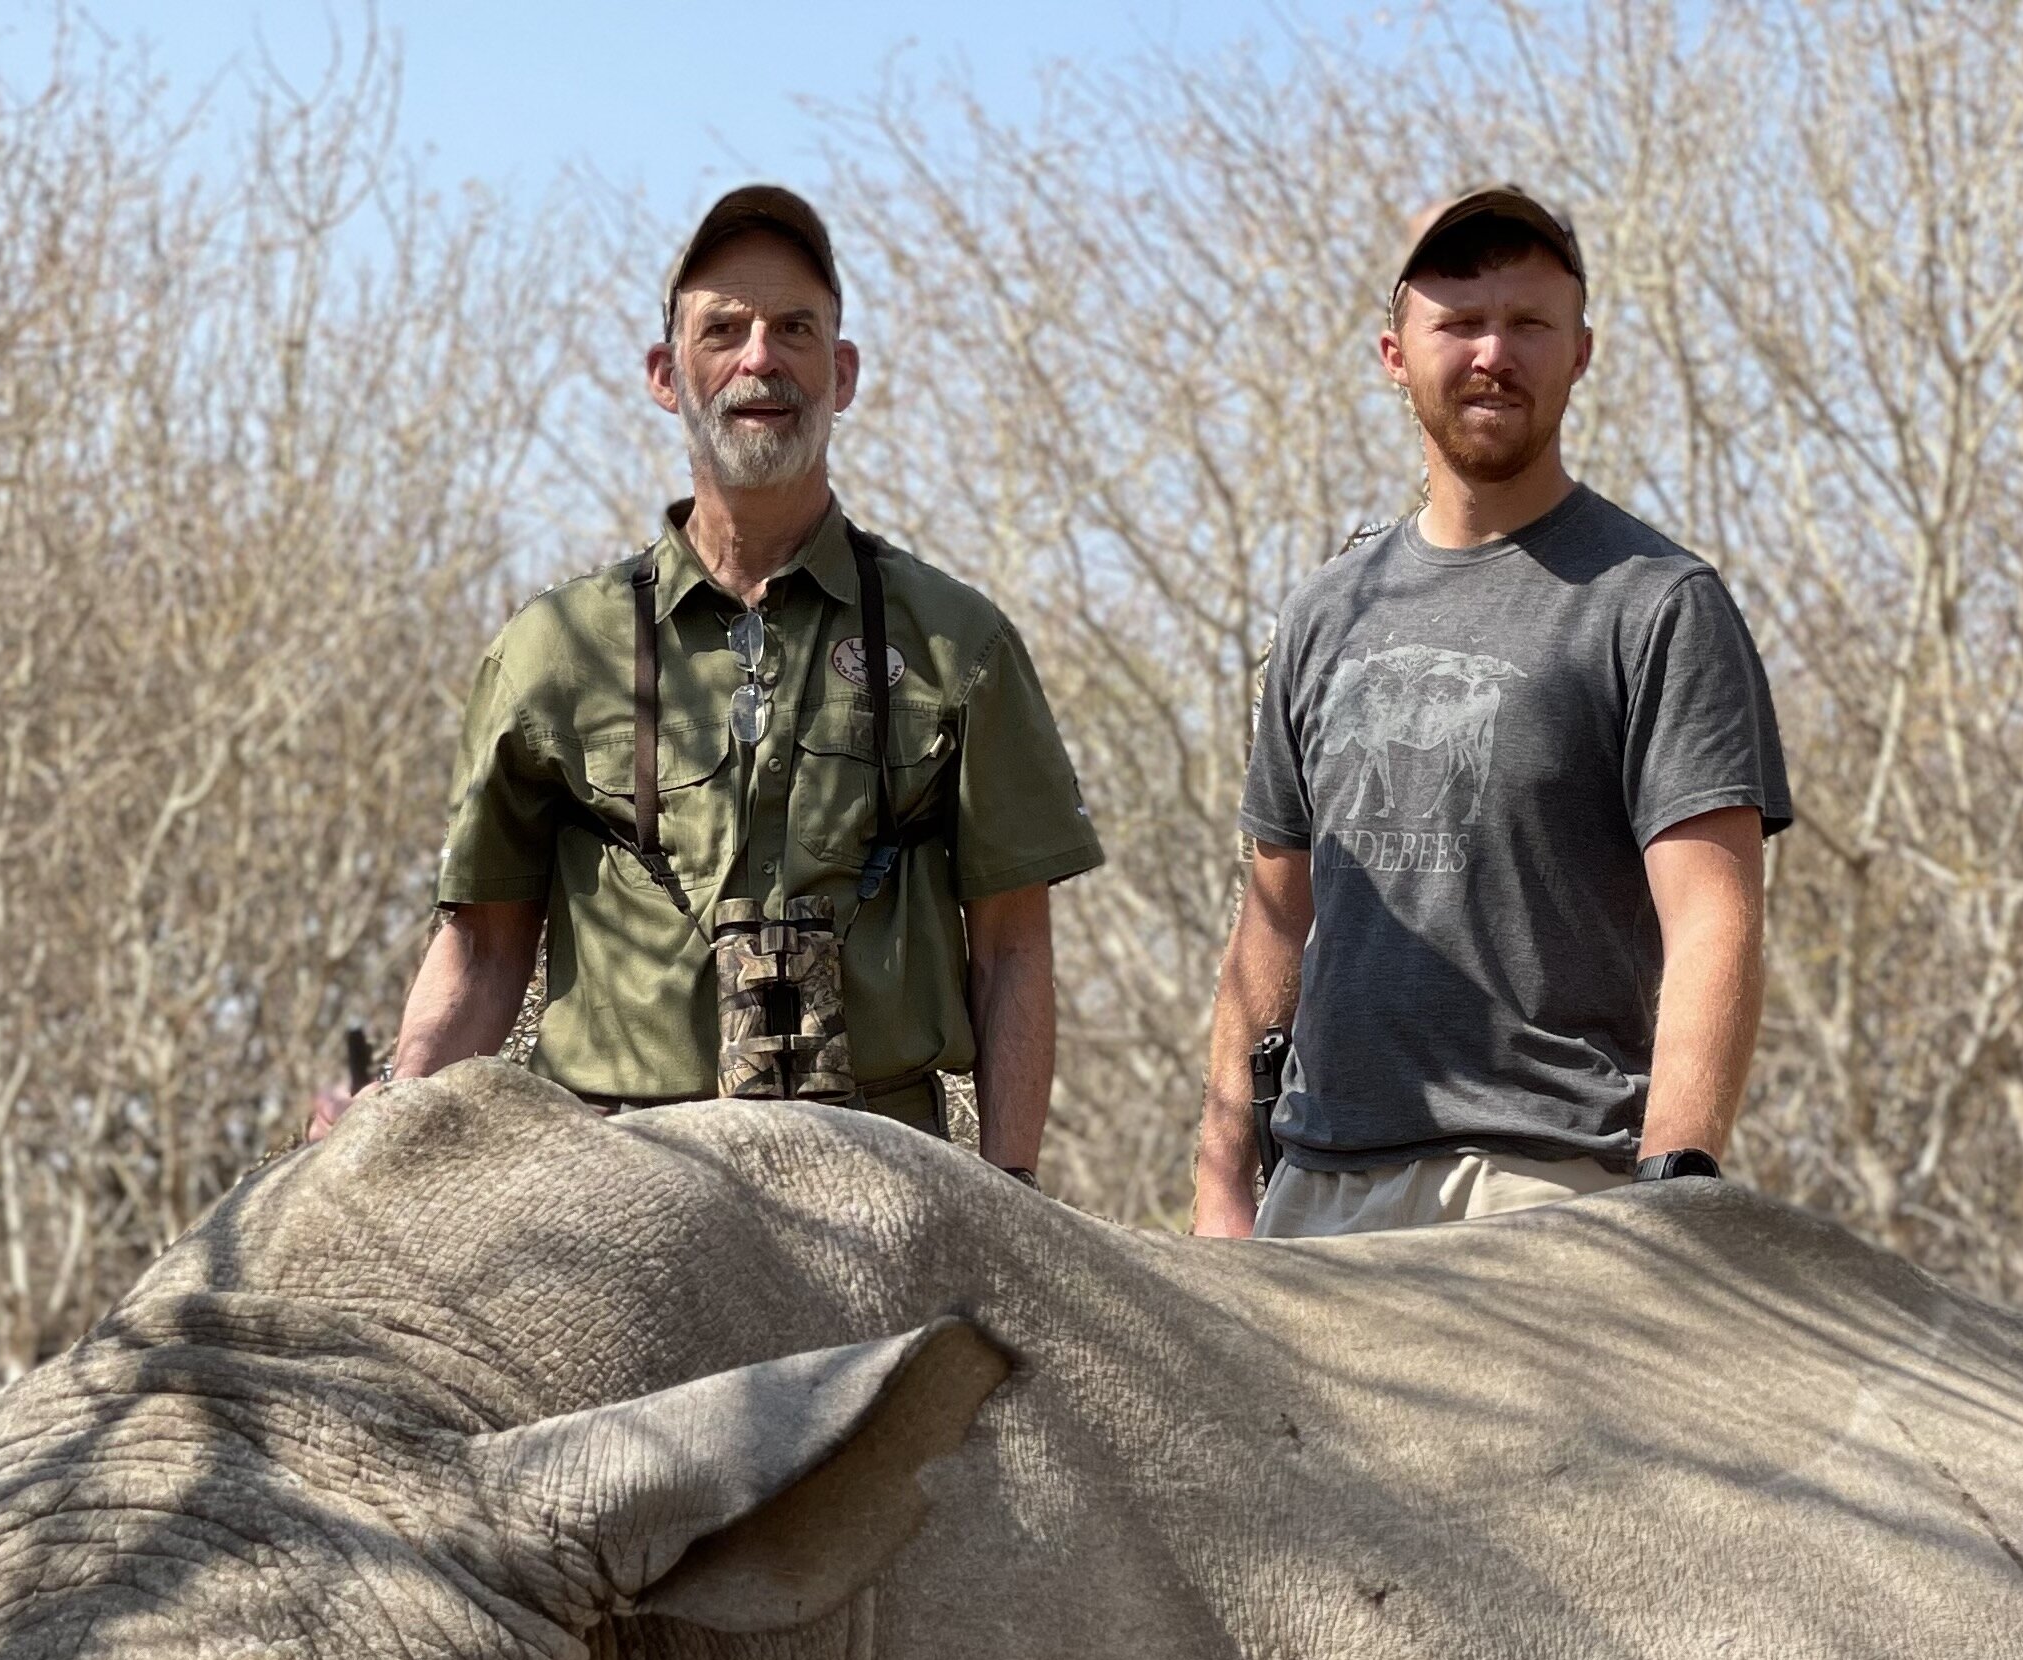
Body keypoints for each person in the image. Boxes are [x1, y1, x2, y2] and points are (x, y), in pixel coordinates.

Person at [348, 186, 1101, 1181]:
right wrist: (390, 1144)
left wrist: (1008, 1201)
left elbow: (1012, 952)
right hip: (616, 1183)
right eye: (724, 330)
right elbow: (484, 953)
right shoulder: (553, 651)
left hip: (886, 1180)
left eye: (796, 329)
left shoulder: (957, 642)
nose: (761, 359)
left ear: (843, 371)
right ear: (667, 375)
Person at [1191, 184, 1789, 1238]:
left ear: (1581, 352)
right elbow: (1277, 915)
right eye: (1459, 323)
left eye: (1528, 324)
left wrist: (1675, 1190)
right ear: (1393, 354)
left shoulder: (1656, 602)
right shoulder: (1329, 610)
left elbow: (1713, 916)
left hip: (1550, 1189)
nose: (1491, 354)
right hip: (1321, 1188)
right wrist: (1224, 1186)